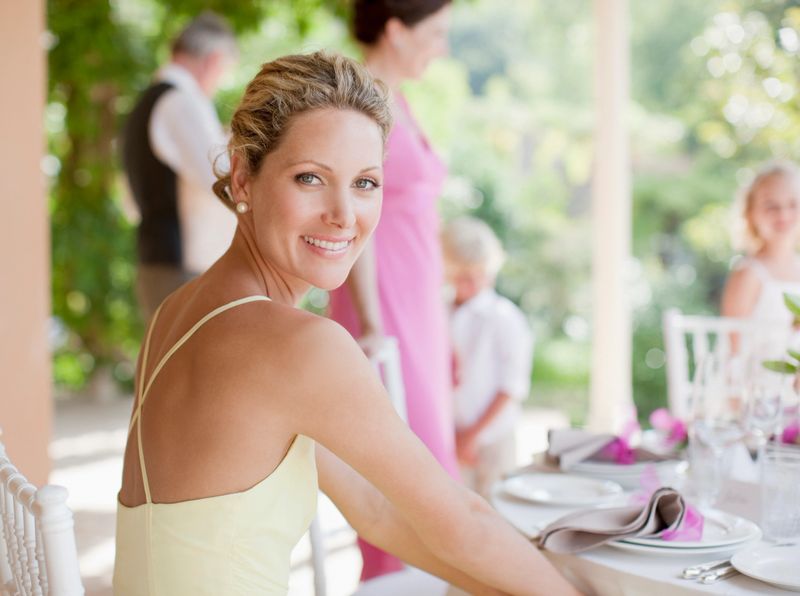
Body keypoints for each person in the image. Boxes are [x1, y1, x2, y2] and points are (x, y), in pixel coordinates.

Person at [113, 51, 580, 596]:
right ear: (242, 177)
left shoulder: (177, 311)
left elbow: (376, 511)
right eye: (310, 178)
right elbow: (465, 525)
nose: (344, 215)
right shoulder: (302, 348)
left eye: (365, 183)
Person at [327, 0, 457, 579]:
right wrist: (375, 324)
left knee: (430, 472)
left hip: (421, 310)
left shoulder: (396, 97)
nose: (443, 46)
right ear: (397, 31)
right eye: (436, 33)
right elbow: (353, 213)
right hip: (385, 312)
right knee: (407, 483)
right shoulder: (361, 102)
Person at [122, 12, 238, 321]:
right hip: (181, 267)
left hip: (159, 260)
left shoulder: (147, 102)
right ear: (214, 60)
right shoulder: (180, 103)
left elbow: (129, 203)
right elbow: (224, 177)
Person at [442, 216, 534, 500]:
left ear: (490, 271)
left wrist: (471, 436)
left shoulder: (504, 318)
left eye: (473, 275)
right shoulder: (440, 311)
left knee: (498, 511)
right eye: (458, 275)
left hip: (493, 438)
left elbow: (512, 387)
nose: (464, 283)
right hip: (451, 436)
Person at [721, 161, 800, 330]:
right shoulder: (749, 273)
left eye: (793, 204)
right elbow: (735, 349)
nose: (783, 214)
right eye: (771, 206)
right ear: (750, 213)